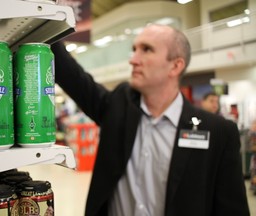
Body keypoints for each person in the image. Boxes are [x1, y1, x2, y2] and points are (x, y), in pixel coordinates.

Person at [51, 24, 250, 216]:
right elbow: (73, 77)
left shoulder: (217, 133)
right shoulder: (119, 107)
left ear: (175, 65)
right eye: (134, 49)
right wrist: (47, 22)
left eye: (146, 50)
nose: (133, 59)